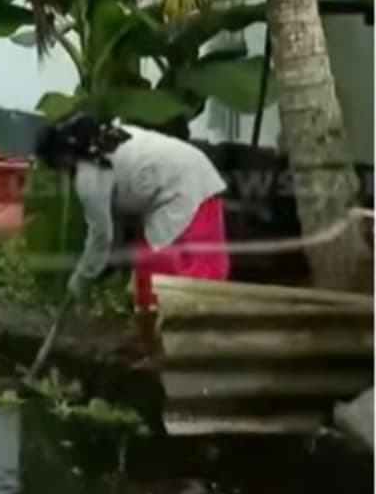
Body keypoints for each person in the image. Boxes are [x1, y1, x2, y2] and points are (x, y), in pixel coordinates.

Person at [34, 111, 230, 366]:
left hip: (183, 189)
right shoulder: (109, 138)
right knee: (150, 267)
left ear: (62, 157)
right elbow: (114, 224)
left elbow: (101, 238)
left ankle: (175, 348)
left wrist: (82, 277)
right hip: (191, 174)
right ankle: (151, 341)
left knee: (171, 272)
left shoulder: (89, 176)